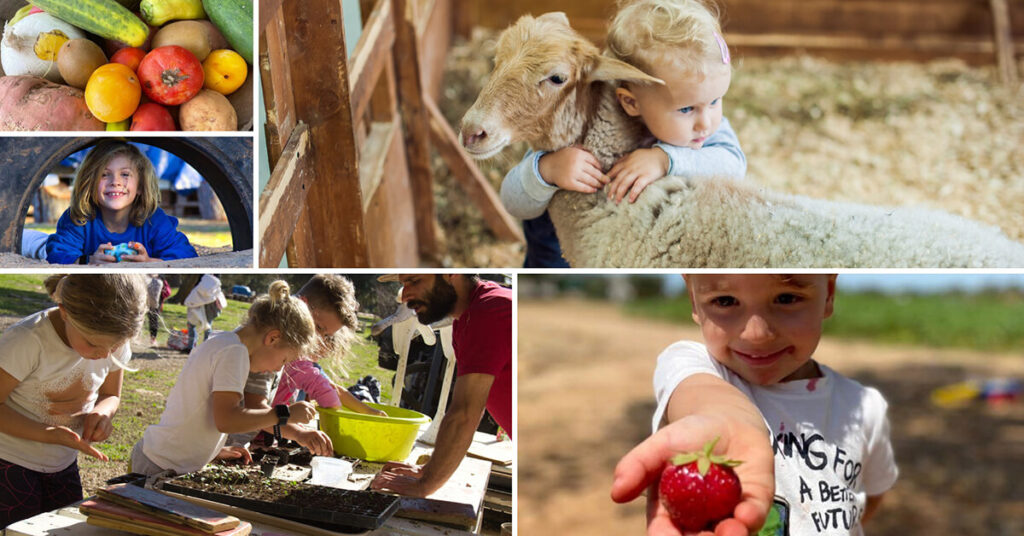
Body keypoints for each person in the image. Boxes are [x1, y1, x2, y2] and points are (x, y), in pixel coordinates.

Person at [611, 274, 898, 536]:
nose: (756, 334)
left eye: (786, 298)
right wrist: (725, 418)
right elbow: (702, 395)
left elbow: (870, 496)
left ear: (829, 294)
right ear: (694, 300)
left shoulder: (864, 406)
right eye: (725, 301)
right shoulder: (688, 363)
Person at [500, 0, 746, 267]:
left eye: (716, 101)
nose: (706, 122)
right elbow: (513, 202)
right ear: (630, 102)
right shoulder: (577, 121)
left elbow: (733, 165)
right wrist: (547, 171)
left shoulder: (703, 128)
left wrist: (665, 159)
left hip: (632, 249)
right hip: (559, 253)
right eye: (687, 108)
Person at [129, 281, 319, 477]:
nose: (279, 368)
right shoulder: (234, 353)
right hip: (159, 465)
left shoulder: (222, 341)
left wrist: (214, 451)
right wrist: (283, 414)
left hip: (163, 458)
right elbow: (227, 420)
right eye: (284, 360)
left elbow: (196, 413)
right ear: (272, 338)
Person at [0, 274, 147, 528]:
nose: (103, 354)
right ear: (65, 312)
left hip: (63, 463)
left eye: (114, 348)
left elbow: (111, 394)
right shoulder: (27, 340)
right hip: (10, 462)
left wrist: (103, 414)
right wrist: (50, 434)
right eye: (92, 344)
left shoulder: (112, 336)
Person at [371, 274, 511, 498]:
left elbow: (465, 413)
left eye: (414, 281)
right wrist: (428, 470)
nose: (405, 296)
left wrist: (425, 484)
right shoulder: (465, 319)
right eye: (402, 284)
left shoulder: (490, 312)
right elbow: (472, 403)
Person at [229, 274, 383, 457]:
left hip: (231, 447)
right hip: (225, 444)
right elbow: (254, 409)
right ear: (302, 305)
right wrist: (298, 432)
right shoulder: (267, 351)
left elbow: (329, 387)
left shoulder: (278, 348)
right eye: (318, 328)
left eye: (326, 336)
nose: (317, 341)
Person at [45, 140, 198, 265]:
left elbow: (185, 255)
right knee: (36, 244)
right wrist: (89, 261)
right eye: (104, 175)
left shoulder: (154, 220)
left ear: (140, 186)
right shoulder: (80, 219)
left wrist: (149, 262)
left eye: (125, 174)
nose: (115, 182)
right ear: (89, 183)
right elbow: (57, 255)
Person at [184, 274, 226, 351]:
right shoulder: (211, 281)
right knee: (195, 326)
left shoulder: (211, 281)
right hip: (203, 306)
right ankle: (197, 347)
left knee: (204, 327)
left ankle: (199, 348)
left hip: (208, 307)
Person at [145, 274, 170, 346]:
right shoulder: (147, 276)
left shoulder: (161, 279)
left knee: (153, 321)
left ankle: (153, 339)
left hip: (155, 303)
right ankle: (151, 339)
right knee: (151, 320)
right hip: (147, 303)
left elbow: (167, 292)